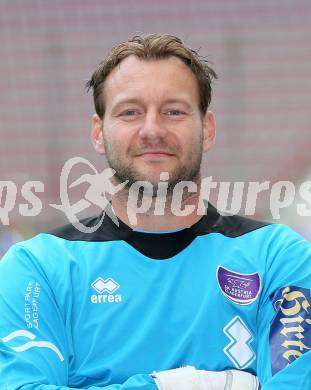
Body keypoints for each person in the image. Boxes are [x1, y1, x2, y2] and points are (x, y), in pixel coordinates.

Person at [0, 33, 310, 390]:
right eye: (130, 112)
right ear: (99, 132)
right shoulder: (40, 267)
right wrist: (170, 385)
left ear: (206, 129)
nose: (152, 130)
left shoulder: (277, 258)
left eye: (174, 112)